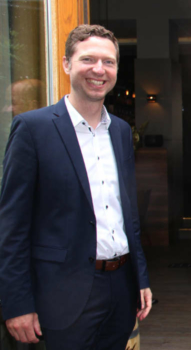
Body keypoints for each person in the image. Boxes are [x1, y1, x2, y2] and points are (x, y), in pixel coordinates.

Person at [0, 24, 152, 349]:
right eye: (88, 59)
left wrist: (140, 278)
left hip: (121, 289)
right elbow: (11, 227)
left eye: (108, 62)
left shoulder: (122, 132)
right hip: (61, 296)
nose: (99, 69)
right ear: (67, 64)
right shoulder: (32, 129)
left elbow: (128, 214)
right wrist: (16, 303)